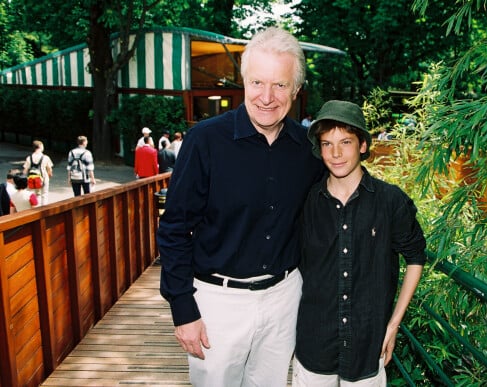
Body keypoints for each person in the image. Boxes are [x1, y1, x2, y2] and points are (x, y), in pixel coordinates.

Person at [157, 27, 324, 387]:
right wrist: (182, 308)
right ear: (243, 82)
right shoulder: (204, 140)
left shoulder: (307, 150)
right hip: (218, 302)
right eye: (257, 82)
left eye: (280, 85)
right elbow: (174, 228)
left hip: (283, 298)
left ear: (295, 91)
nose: (267, 96)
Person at [293, 100, 426, 386]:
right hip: (314, 342)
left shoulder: (390, 201)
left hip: (368, 345)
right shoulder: (306, 201)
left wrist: (393, 324)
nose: (336, 153)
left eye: (346, 142)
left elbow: (416, 257)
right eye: (327, 144)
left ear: (363, 145)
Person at [22, 140, 53, 205]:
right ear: (40, 146)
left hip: (32, 179)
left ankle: (36, 208)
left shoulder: (29, 158)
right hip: (43, 178)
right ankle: (44, 210)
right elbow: (49, 169)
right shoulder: (45, 157)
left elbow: (25, 170)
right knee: (44, 194)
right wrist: (49, 175)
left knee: (35, 195)